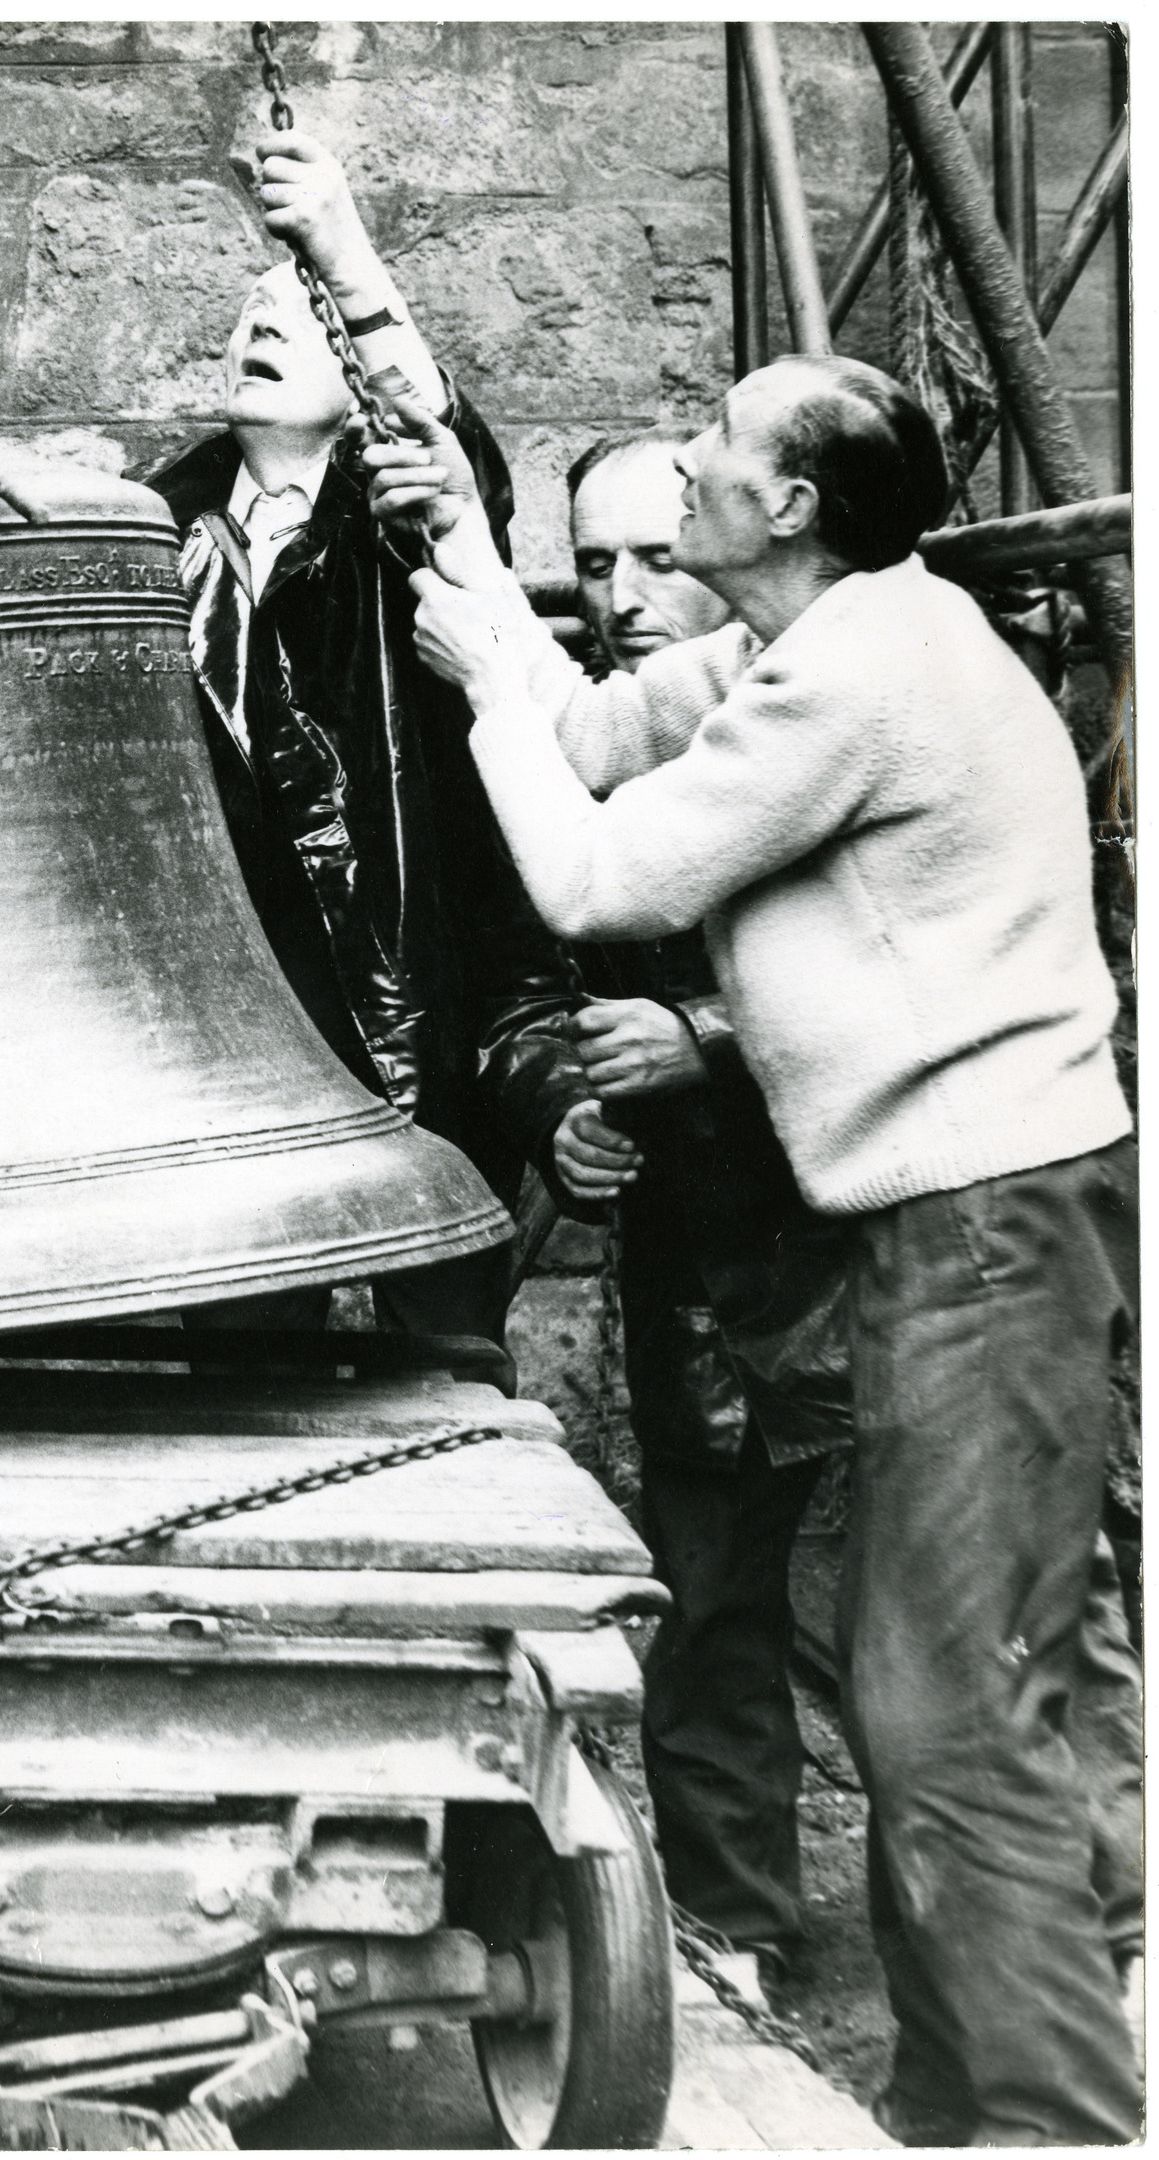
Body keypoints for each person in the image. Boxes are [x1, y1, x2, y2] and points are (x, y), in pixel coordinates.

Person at [380, 354, 1141, 2144]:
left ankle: (1055, 2123)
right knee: (936, 1690)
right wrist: (477, 578)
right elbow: (579, 731)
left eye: (720, 447)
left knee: (954, 1714)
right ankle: (963, 2103)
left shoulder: (872, 671)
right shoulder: (802, 646)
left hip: (991, 1224)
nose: (696, 459)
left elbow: (598, 881)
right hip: (948, 1224)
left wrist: (490, 684)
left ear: (788, 506)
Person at [147, 132, 589, 1348]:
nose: (264, 320)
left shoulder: (408, 511)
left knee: (442, 1350)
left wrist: (335, 245)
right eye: (248, 308)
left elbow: (437, 429)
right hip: (235, 1007)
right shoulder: (152, 526)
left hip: (409, 992)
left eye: (297, 311)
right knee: (240, 1357)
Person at [556, 429, 853, 1996]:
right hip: (702, 1261)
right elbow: (533, 980)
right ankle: (735, 1925)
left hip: (873, 1240)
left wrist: (705, 1045)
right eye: (590, 565)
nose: (618, 595)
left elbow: (906, 963)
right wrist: (567, 1109)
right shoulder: (594, 746)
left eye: (652, 557)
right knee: (714, 1606)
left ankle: (1094, 1932)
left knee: (922, 1619)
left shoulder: (835, 698)